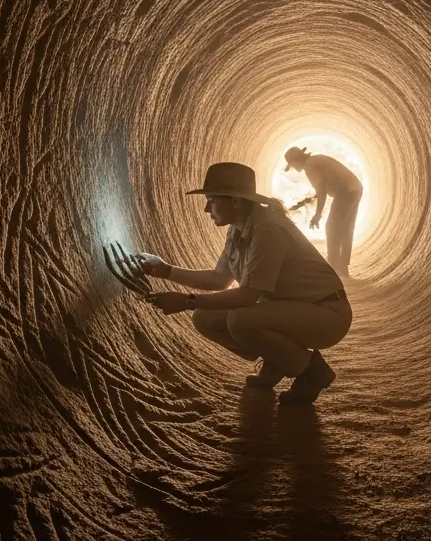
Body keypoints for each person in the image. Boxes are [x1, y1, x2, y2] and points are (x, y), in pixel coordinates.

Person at [104, 162, 351, 404]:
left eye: (212, 201)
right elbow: (220, 279)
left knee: (240, 320)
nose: (206, 209)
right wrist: (166, 270)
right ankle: (277, 360)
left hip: (325, 314)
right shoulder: (239, 227)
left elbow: (247, 297)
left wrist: (186, 301)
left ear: (235, 201)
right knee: (205, 318)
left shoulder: (268, 231)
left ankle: (311, 371)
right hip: (289, 310)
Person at [283, 146, 362, 277]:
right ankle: (342, 267)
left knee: (332, 227)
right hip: (355, 188)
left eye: (292, 164)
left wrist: (318, 215)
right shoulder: (316, 159)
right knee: (346, 228)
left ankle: (333, 266)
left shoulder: (309, 166)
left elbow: (321, 188)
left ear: (297, 159)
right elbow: (324, 186)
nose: (293, 168)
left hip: (345, 191)